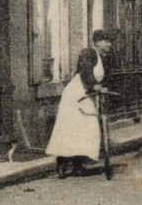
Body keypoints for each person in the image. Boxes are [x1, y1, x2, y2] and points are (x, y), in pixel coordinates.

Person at [47, 30, 113, 178]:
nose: (109, 44)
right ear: (97, 42)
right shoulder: (88, 53)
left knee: (83, 129)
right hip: (75, 94)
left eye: (109, 41)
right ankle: (63, 159)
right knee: (80, 127)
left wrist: (101, 87)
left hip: (86, 94)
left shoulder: (102, 58)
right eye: (106, 41)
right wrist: (96, 86)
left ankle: (77, 164)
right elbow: (86, 72)